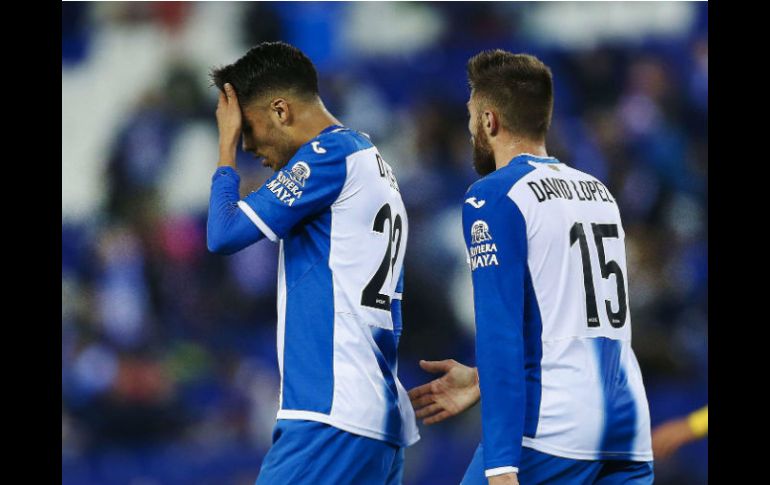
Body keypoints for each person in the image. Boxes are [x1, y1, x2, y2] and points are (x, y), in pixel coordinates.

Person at [409, 50, 653, 484]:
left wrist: (501, 464)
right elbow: (572, 324)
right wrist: (484, 381)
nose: (469, 129)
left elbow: (499, 333)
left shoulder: (494, 195)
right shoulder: (597, 191)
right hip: (627, 423)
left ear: (488, 121)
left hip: (554, 430)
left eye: (471, 116)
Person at [207, 41, 418, 484]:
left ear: (281, 110)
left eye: (247, 126)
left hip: (329, 416)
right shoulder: (374, 163)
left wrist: (223, 150)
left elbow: (222, 234)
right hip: (376, 419)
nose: (248, 145)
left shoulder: (329, 158)